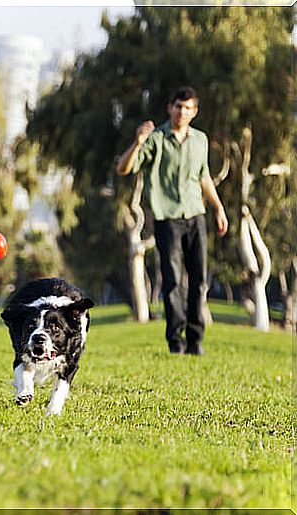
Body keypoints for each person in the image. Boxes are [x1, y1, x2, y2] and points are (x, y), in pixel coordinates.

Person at [117, 86, 228, 355]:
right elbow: (124, 168)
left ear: (195, 111)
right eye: (178, 106)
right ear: (170, 108)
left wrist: (219, 208)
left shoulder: (200, 140)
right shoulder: (156, 139)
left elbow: (204, 178)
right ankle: (176, 341)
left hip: (195, 215)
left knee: (199, 280)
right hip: (167, 218)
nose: (182, 111)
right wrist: (138, 142)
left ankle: (195, 339)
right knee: (173, 280)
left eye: (188, 107)